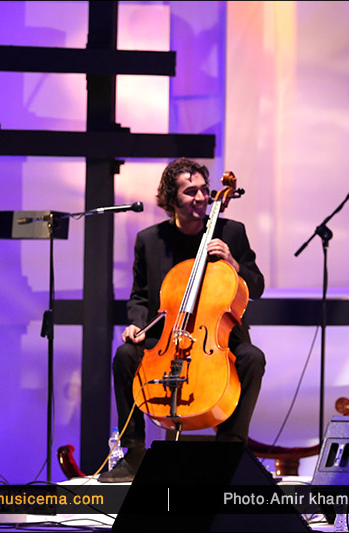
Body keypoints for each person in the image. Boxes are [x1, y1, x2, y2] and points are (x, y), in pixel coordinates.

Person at [99, 157, 266, 483]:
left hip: (216, 337)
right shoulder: (149, 240)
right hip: (167, 335)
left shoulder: (231, 232)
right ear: (171, 199)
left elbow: (256, 286)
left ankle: (229, 452)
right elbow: (140, 296)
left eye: (204, 190)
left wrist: (233, 262)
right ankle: (133, 454)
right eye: (191, 192)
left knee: (252, 359)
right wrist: (136, 325)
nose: (202, 197)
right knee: (125, 356)